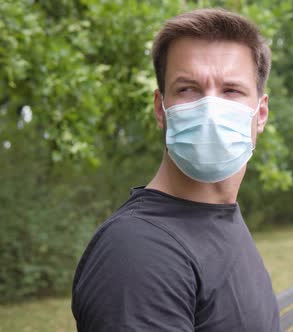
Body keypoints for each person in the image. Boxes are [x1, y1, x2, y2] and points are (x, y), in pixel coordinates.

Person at [71, 8, 279, 331]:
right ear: (160, 109)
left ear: (260, 113)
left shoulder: (219, 215)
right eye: (188, 89)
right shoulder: (138, 252)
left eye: (231, 91)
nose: (211, 109)